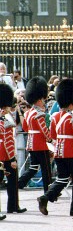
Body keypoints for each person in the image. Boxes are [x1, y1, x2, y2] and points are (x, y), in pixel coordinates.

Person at [37, 79, 73, 216]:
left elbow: (52, 135)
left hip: (59, 152)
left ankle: (45, 197)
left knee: (62, 178)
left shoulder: (56, 116)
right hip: (72, 152)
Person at [18, 77, 52, 193]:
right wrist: (50, 140)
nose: (44, 101)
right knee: (46, 169)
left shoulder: (28, 113)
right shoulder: (38, 113)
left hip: (31, 143)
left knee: (33, 167)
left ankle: (20, 183)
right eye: (43, 99)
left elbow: (25, 128)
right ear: (39, 99)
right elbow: (43, 129)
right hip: (40, 144)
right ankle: (49, 190)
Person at [0, 83, 27, 219]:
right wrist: (12, 159)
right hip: (5, 155)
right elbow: (8, 141)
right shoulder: (5, 120)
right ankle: (13, 205)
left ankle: (13, 206)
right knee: (12, 181)